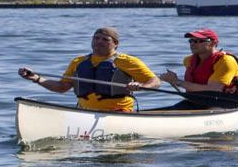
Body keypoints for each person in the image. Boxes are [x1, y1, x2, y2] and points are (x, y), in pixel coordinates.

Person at [18, 27, 161, 112]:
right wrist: (36, 79)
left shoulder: (126, 61)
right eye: (96, 38)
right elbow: (62, 87)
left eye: (105, 39)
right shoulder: (78, 62)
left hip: (119, 113)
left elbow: (155, 81)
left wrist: (141, 86)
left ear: (115, 44)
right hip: (84, 112)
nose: (99, 42)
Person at [158, 29, 238, 110]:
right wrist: (170, 80)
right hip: (196, 102)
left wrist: (177, 82)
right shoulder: (188, 60)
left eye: (198, 41)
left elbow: (214, 90)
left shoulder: (226, 61)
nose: (193, 44)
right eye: (191, 41)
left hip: (224, 103)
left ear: (212, 44)